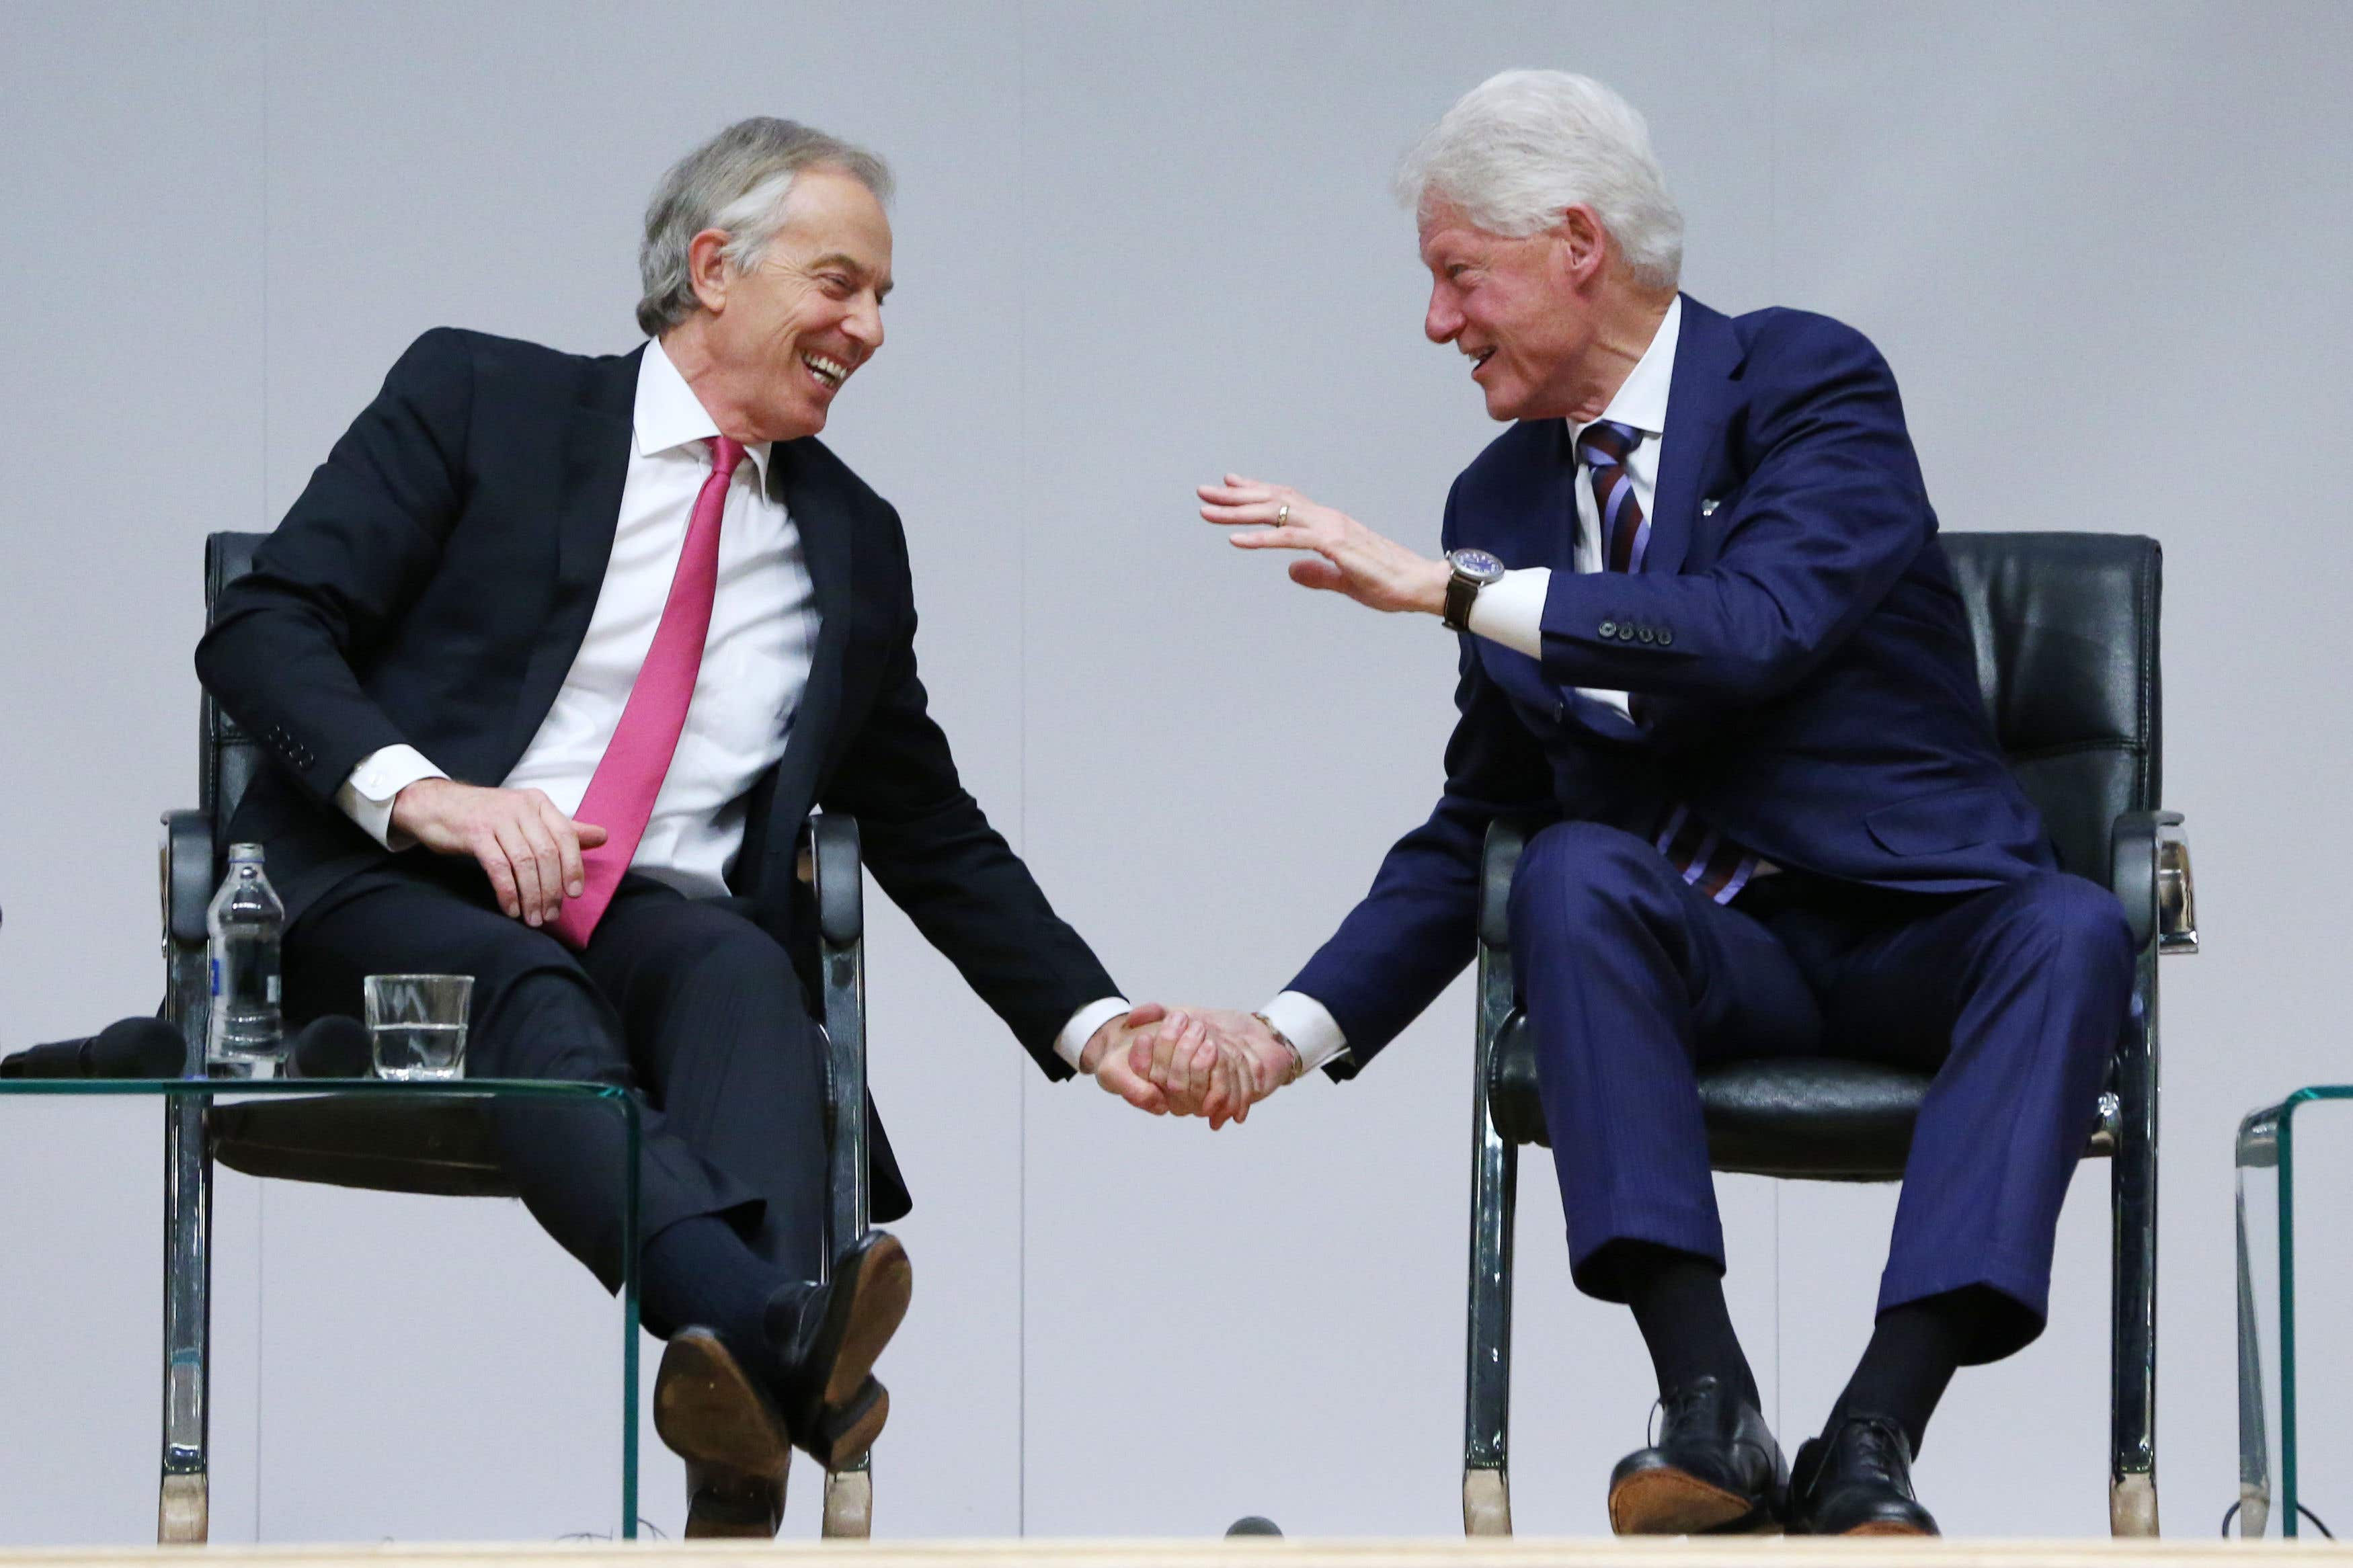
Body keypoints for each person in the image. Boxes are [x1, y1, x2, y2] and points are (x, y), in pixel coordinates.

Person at [1134, 71, 2134, 1536]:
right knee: (1567, 868)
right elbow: (1478, 817)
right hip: (1713, 961)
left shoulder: (1804, 384)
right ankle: (1705, 1407)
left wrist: (1452, 591)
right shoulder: (1504, 494)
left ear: (1577, 245)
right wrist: (1286, 1032)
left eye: (1456, 275)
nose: (1436, 322)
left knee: (2073, 926)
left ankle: (1876, 1432)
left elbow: (1759, 624)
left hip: (1921, 930)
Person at [194, 117, 1176, 1536]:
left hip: (647, 926)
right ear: (715, 268)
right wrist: (427, 793)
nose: (873, 328)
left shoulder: (851, 537)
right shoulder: (483, 398)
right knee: (529, 987)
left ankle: (740, 1435)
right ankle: (781, 1348)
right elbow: (264, 628)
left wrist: (1096, 1022)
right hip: (387, 889)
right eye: (841, 285)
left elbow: (928, 823)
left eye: (886, 299)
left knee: (740, 976)